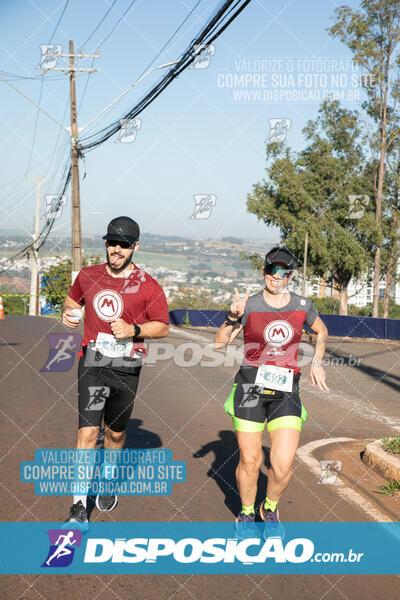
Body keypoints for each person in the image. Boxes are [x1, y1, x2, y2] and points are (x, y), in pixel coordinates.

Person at [61, 216, 170, 528]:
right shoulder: (88, 276)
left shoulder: (148, 286)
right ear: (106, 243)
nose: (117, 249)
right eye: (112, 243)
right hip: (93, 363)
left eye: (124, 244)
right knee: (87, 433)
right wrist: (69, 316)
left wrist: (133, 328)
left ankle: (108, 478)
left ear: (135, 247)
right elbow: (71, 302)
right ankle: (79, 506)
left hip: (126, 367)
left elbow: (162, 327)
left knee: (116, 433)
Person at [214, 246, 329, 525]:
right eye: (271, 270)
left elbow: (322, 331)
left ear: (290, 276)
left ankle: (270, 506)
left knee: (283, 463)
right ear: (263, 271)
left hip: (286, 389)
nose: (276, 276)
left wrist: (317, 361)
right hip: (250, 386)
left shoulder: (303, 306)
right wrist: (232, 317)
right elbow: (219, 343)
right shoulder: (250, 305)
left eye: (283, 272)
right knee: (251, 461)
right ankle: (245, 512)